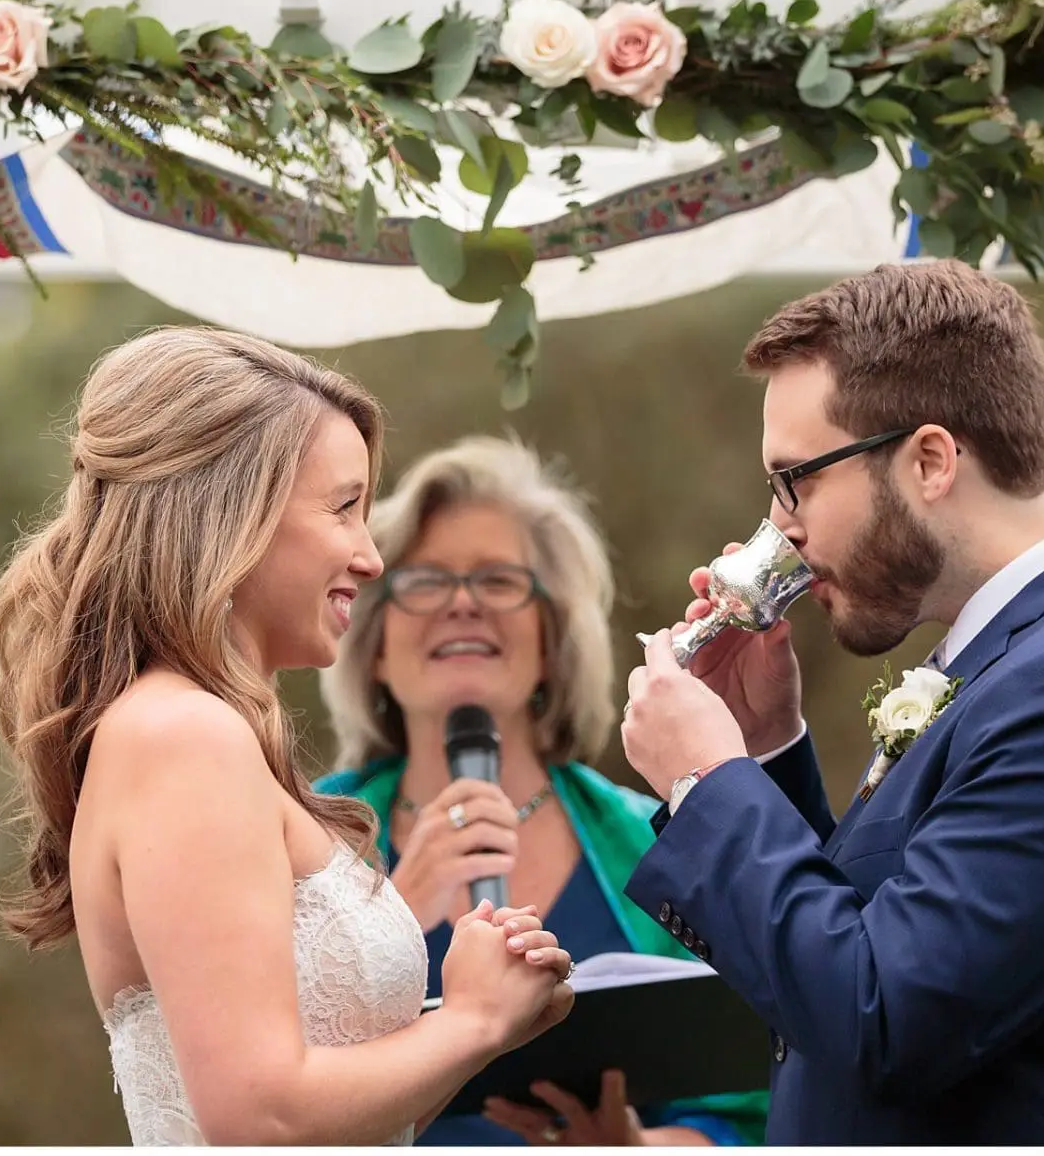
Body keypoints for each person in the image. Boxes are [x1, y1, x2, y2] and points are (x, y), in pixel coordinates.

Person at [618, 260, 1044, 1144]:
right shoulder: (1030, 657)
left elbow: (878, 1020)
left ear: (929, 459)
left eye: (795, 479)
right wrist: (765, 751)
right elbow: (862, 953)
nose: (782, 528)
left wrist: (706, 779)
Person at [0, 328, 574, 1146]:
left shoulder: (197, 732)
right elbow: (257, 1115)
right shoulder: (181, 735)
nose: (371, 559)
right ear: (232, 514)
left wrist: (493, 1016)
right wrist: (471, 1022)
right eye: (344, 510)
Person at [316, 436, 769, 1146]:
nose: (463, 605)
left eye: (499, 580)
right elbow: (252, 1083)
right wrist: (392, 908)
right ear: (372, 642)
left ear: (552, 640)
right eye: (426, 580)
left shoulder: (661, 835)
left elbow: (755, 1103)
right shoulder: (301, 830)